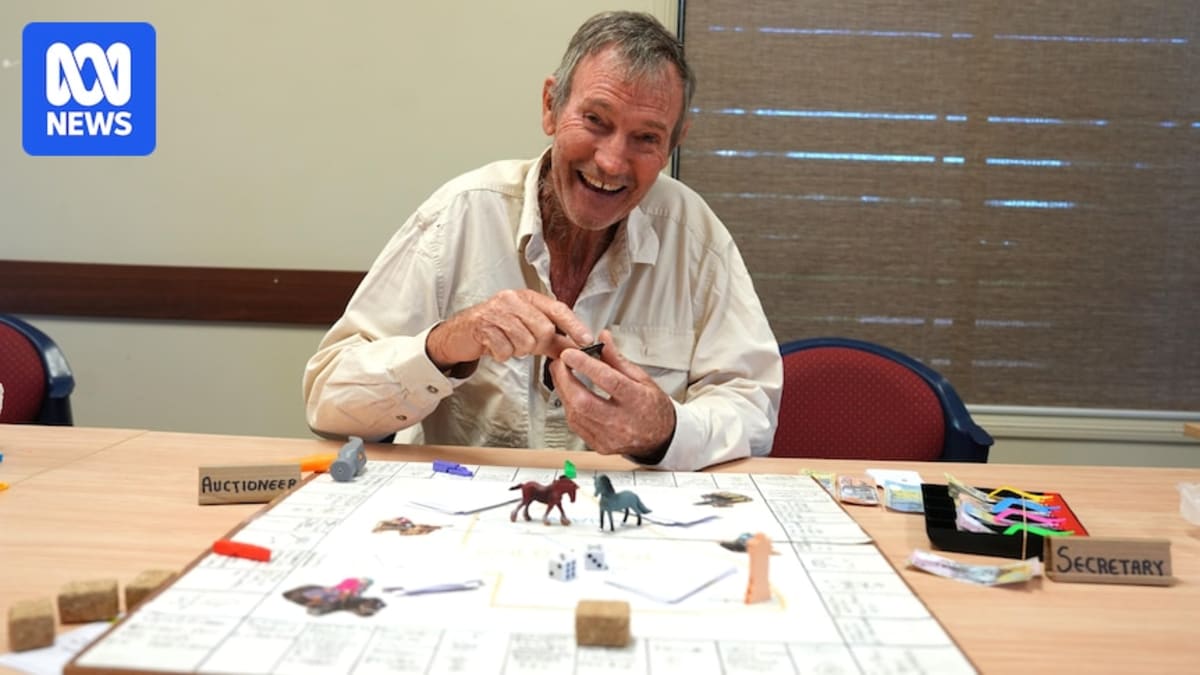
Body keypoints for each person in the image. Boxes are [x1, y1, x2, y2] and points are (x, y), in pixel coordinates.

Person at [303, 11, 781, 471]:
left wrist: (665, 429)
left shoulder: (695, 237)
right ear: (551, 106)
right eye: (596, 120)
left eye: (646, 137)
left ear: (672, 145)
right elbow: (328, 401)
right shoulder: (461, 214)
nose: (613, 161)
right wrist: (446, 345)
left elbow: (753, 409)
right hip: (462, 522)